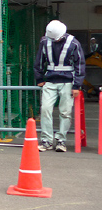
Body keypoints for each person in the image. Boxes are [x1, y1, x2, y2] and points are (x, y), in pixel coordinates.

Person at [33, 20, 85, 152]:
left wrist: (76, 86)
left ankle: (61, 140)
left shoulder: (73, 43)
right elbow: (39, 61)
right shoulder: (45, 41)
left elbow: (80, 65)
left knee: (65, 112)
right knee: (45, 110)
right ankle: (47, 141)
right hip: (50, 81)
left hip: (67, 82)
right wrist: (39, 78)